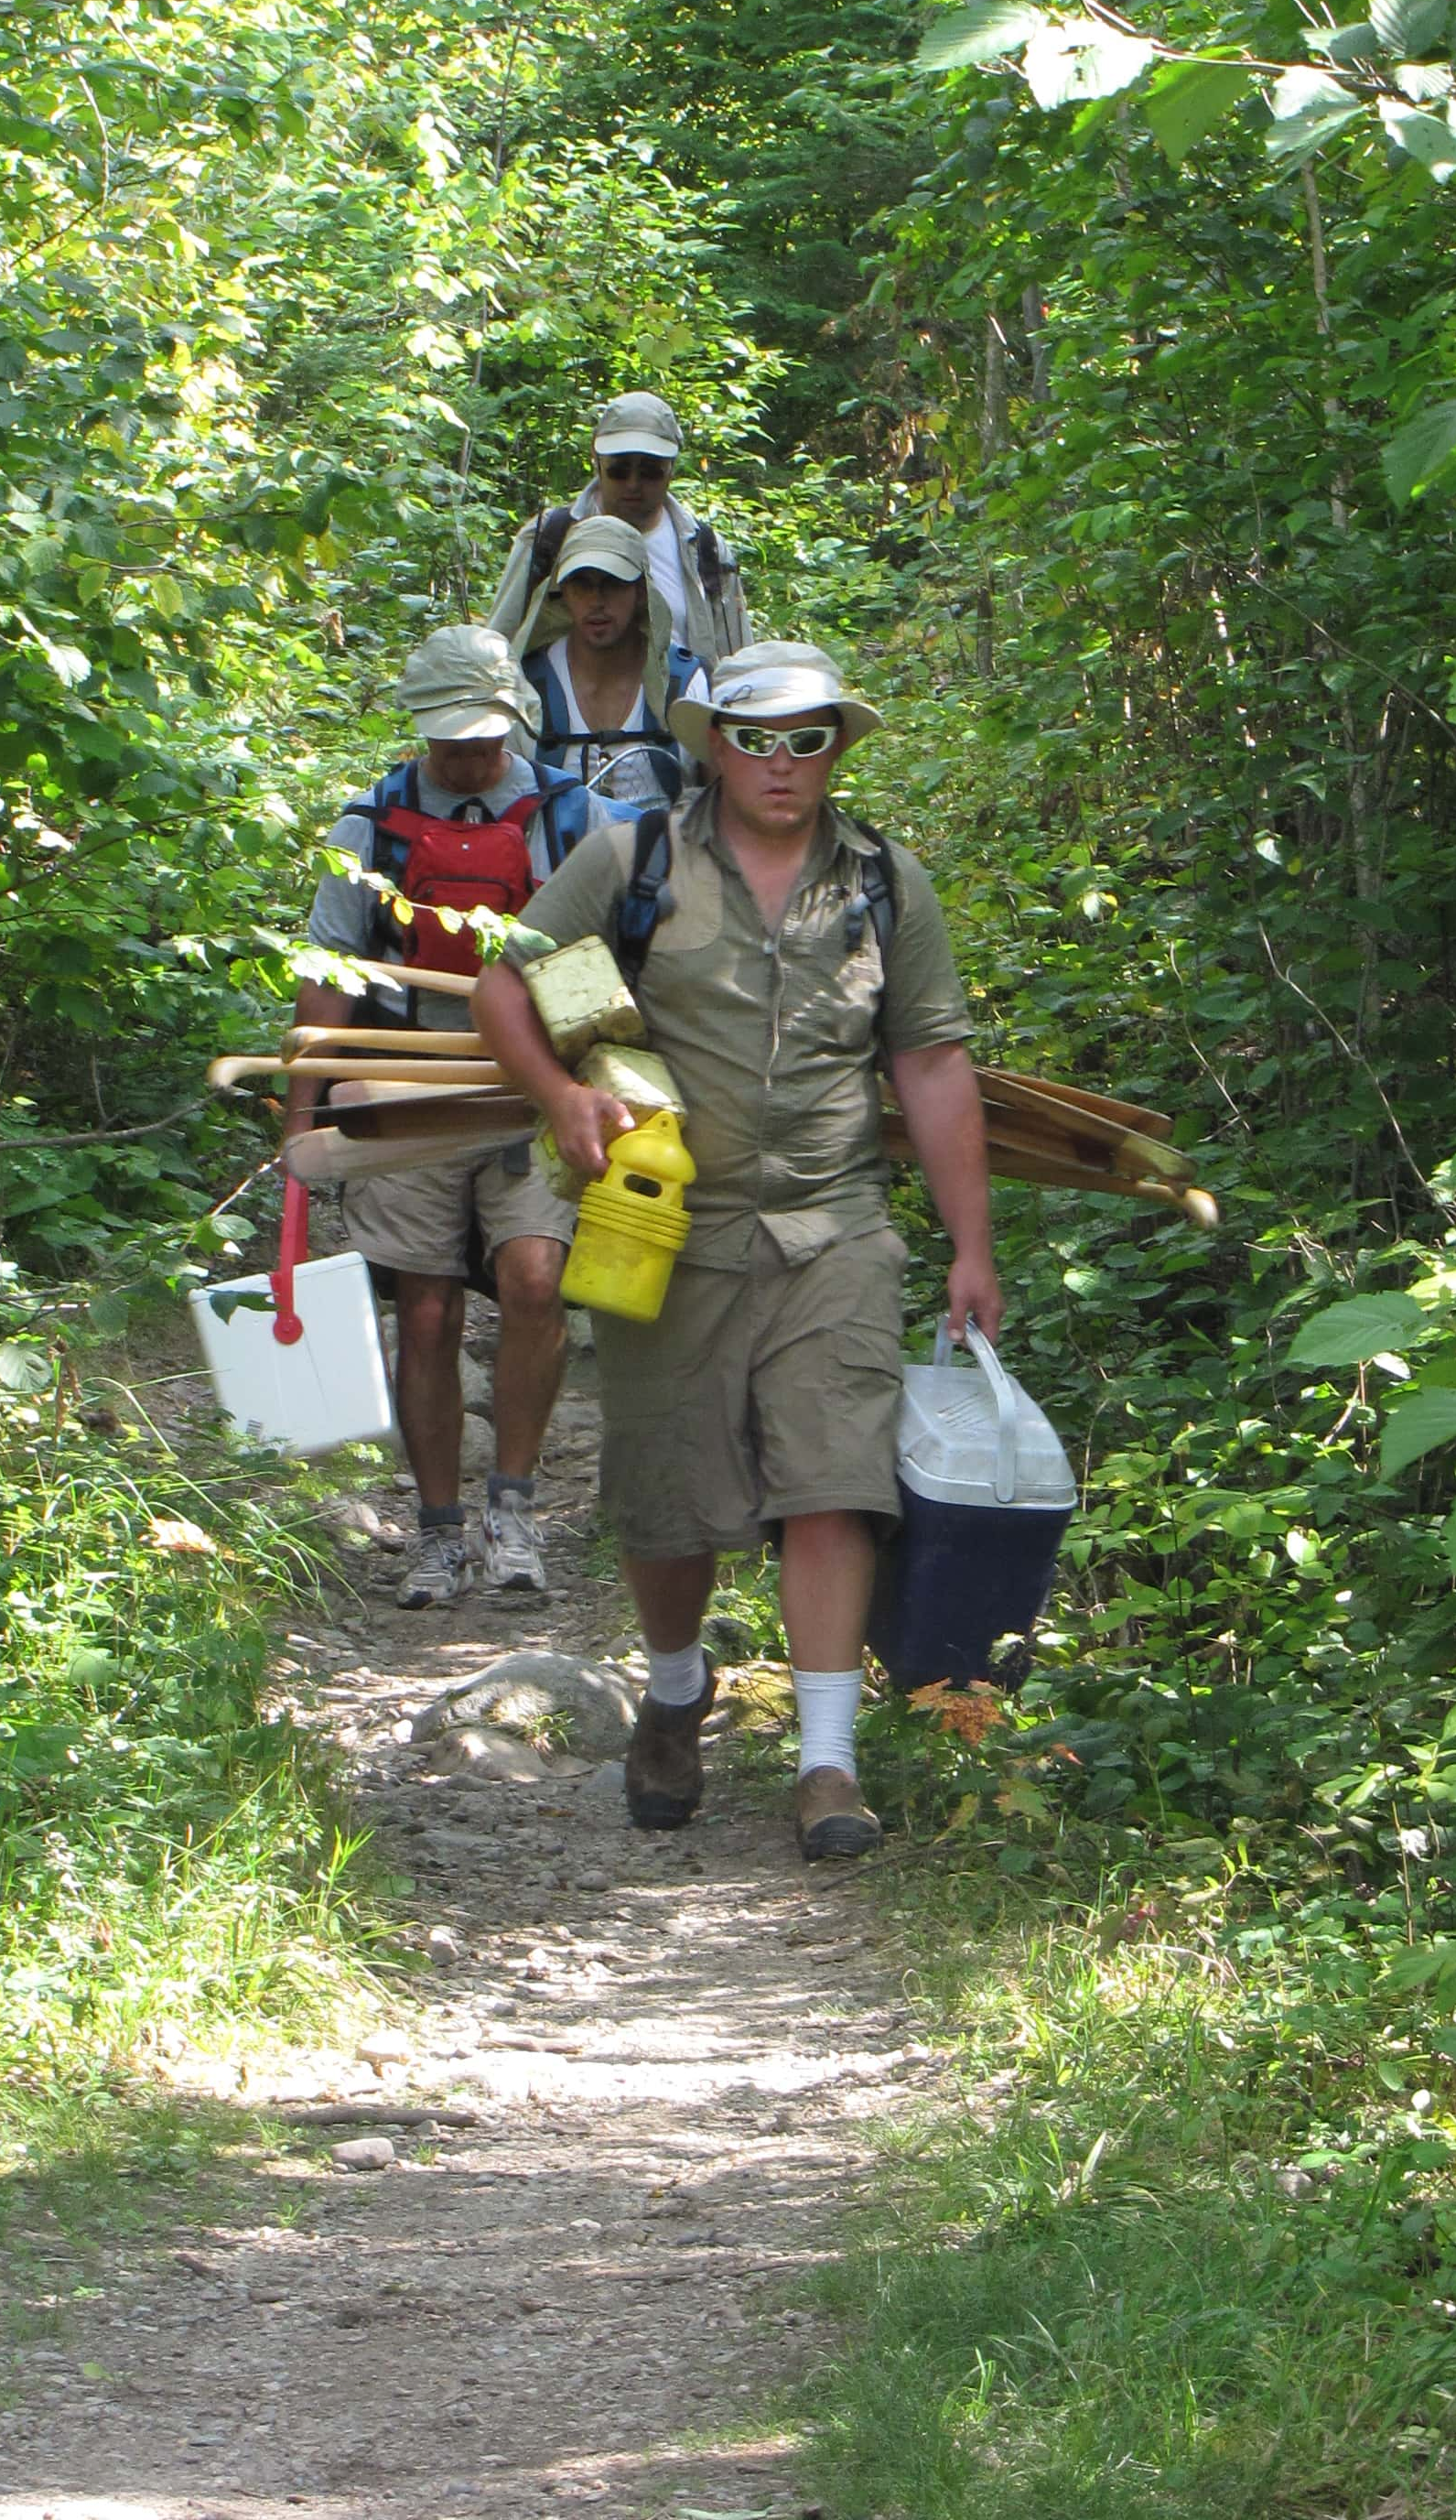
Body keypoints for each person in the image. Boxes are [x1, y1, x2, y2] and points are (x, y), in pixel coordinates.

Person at [472, 641, 1002, 1864]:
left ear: (839, 749)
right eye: (756, 737)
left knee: (836, 1487)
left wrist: (972, 1246)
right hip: (666, 1231)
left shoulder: (883, 884)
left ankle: (829, 1765)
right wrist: (560, 1098)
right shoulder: (635, 859)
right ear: (713, 740)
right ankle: (672, 1695)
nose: (781, 761)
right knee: (671, 1502)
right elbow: (510, 987)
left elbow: (929, 1063)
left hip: (837, 1229)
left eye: (807, 738)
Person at [293, 626, 609, 1611]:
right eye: (452, 741)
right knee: (423, 1309)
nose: (472, 757)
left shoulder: (577, 816)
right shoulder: (371, 828)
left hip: (534, 1084)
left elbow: (628, 951)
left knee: (534, 1281)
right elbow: (330, 976)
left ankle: (512, 1511)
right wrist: (303, 1121)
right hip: (407, 1085)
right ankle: (436, 1531)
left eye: (486, 738)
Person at [485, 390, 751, 667]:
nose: (633, 484)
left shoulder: (705, 550)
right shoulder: (548, 538)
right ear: (596, 462)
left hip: (680, 706)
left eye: (650, 471)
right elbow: (496, 645)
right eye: (619, 470)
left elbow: (738, 661)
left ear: (671, 468)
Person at [509, 513, 706, 812]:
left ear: (641, 592)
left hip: (664, 853)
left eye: (612, 584)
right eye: (581, 585)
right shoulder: (526, 686)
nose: (596, 600)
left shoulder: (684, 683)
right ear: (561, 593)